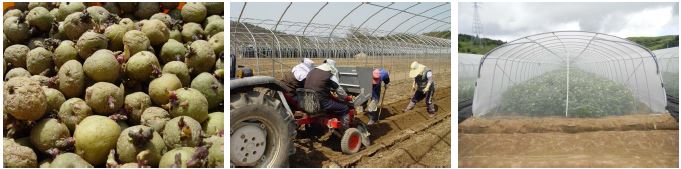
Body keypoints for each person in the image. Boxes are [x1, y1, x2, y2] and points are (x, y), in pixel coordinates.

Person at [304, 61, 352, 130]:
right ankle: (344, 129)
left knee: (332, 105)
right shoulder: (328, 74)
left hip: (309, 100)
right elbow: (339, 90)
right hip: (321, 101)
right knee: (345, 108)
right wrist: (346, 97)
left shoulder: (312, 71)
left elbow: (320, 86)